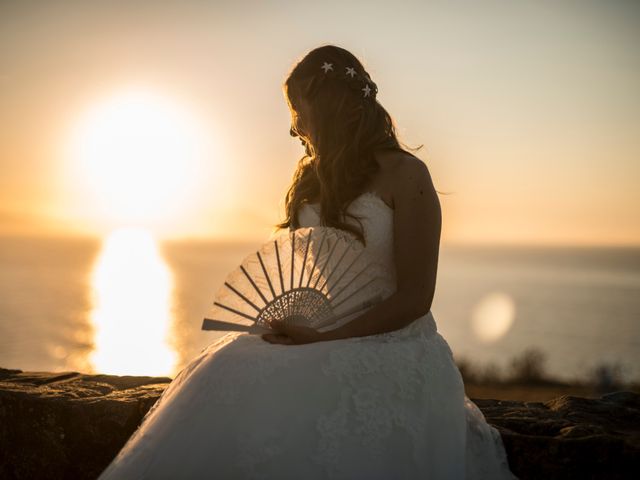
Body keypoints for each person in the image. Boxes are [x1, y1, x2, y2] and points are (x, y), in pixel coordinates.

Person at [98, 44, 518, 479]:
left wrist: (329, 336)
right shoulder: (310, 178)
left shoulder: (407, 175)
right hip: (317, 334)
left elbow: (415, 297)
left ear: (329, 105)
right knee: (228, 367)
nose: (295, 127)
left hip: (394, 344)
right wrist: (300, 329)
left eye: (299, 111)